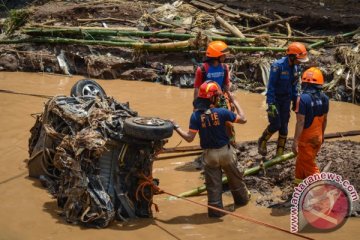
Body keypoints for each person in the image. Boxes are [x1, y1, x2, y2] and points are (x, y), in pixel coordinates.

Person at [171, 81, 250, 218]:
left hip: (210, 155)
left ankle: (215, 213)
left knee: (213, 188)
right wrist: (234, 101)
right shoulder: (222, 112)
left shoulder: (195, 116)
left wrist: (175, 126)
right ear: (213, 98)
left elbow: (189, 138)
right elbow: (243, 119)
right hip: (226, 152)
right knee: (235, 180)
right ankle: (242, 202)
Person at [258, 42, 309, 157]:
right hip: (275, 100)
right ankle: (262, 141)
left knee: (284, 128)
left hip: (286, 100)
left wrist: (295, 101)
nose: (300, 61)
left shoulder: (297, 67)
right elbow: (271, 86)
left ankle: (279, 153)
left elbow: (295, 86)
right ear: (292, 56)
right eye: (298, 59)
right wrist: (271, 104)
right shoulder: (278, 66)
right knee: (276, 124)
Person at [193, 40, 241, 145]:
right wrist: (195, 106)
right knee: (206, 123)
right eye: (223, 55)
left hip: (220, 99)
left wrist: (231, 100)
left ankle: (231, 143)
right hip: (206, 100)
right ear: (216, 56)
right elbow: (197, 88)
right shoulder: (202, 69)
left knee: (228, 122)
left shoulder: (224, 68)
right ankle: (209, 144)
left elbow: (226, 85)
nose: (225, 57)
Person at [292, 67, 329, 184]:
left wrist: (295, 142)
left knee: (311, 168)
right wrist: (322, 136)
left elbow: (300, 122)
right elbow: (324, 119)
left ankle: (320, 192)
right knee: (301, 162)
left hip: (306, 140)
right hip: (317, 138)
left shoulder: (302, 99)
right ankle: (299, 186)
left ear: (304, 82)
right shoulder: (325, 98)